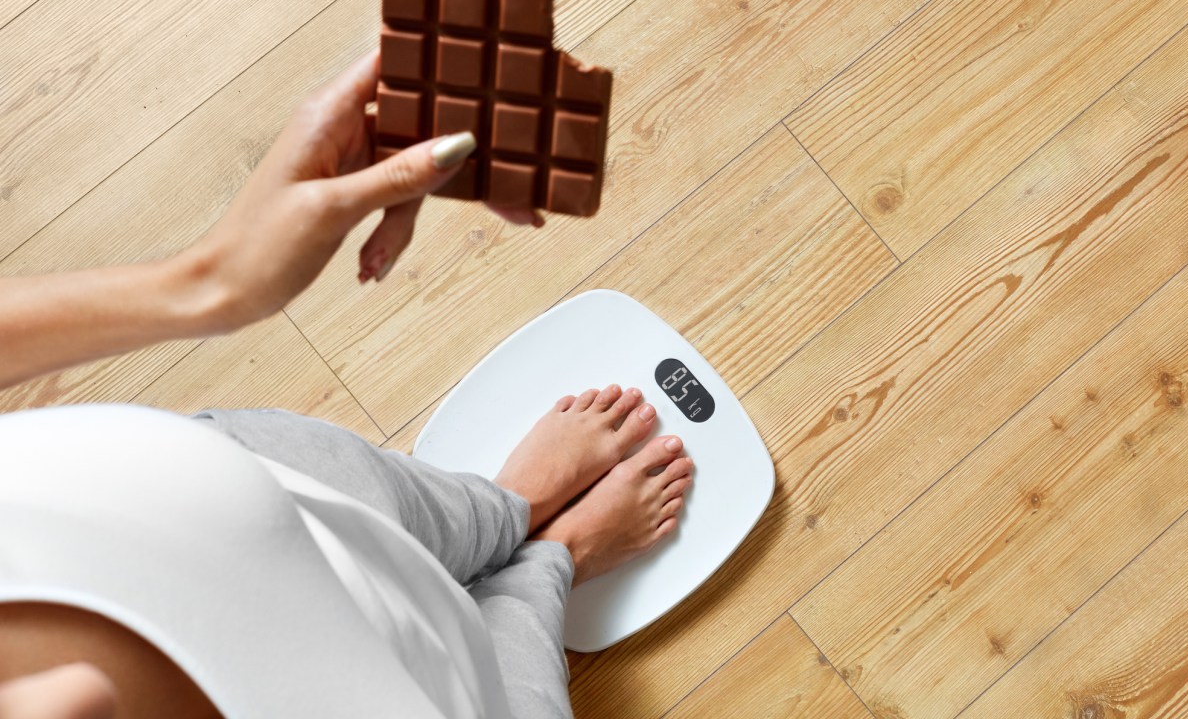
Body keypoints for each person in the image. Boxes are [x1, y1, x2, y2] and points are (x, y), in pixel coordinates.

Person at [0, 52, 691, 719]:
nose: (75, 698)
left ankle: (511, 507)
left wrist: (210, 284)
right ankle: (549, 560)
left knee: (393, 506)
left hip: (233, 486)